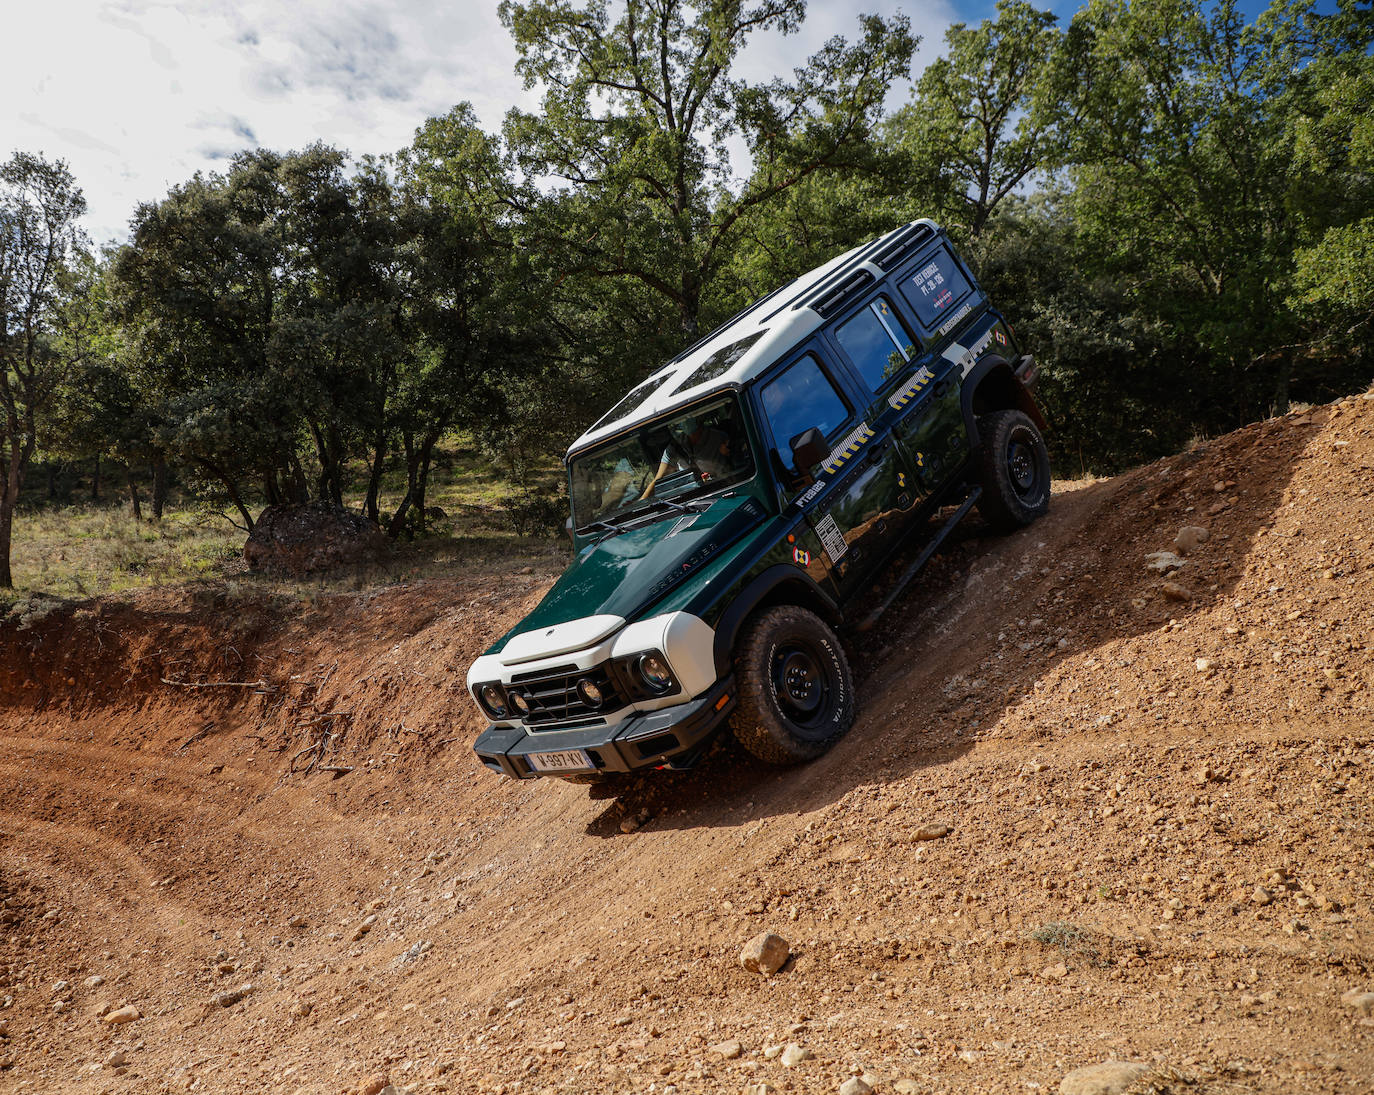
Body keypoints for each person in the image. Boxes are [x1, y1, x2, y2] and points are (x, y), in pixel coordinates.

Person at [640, 416, 732, 499]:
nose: (684, 422)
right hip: (691, 497)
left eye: (688, 417)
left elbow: (733, 462)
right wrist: (641, 502)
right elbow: (658, 480)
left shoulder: (719, 437)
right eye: (680, 420)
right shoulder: (674, 448)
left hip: (722, 488)